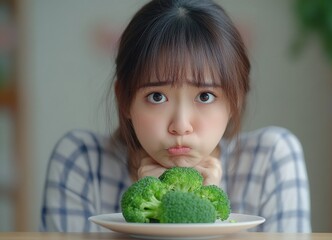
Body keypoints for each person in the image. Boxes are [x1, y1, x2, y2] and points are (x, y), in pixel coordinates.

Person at [40, 0, 311, 233]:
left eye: (205, 96)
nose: (181, 126)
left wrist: (206, 214)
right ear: (124, 99)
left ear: (234, 100)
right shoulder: (81, 162)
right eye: (157, 96)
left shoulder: (271, 159)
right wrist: (157, 215)